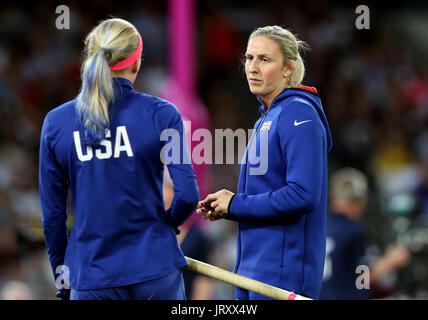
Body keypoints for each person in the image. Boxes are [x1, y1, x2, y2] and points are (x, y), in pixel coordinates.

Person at [38, 18, 199, 300]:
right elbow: (186, 195)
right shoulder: (162, 114)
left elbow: (53, 218)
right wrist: (166, 227)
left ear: (89, 59)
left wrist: (63, 279)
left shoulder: (56, 123)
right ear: (136, 64)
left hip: (91, 277)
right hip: (155, 269)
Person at [197, 25, 333, 300]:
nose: (253, 67)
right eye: (249, 58)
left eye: (265, 59)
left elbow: (302, 195)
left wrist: (235, 203)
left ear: (288, 68)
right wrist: (230, 205)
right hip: (252, 271)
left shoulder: (299, 114)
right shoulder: (267, 118)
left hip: (282, 278)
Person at [319, 167, 410, 300]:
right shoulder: (353, 230)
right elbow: (362, 280)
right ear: (360, 201)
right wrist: (390, 261)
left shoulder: (321, 225)